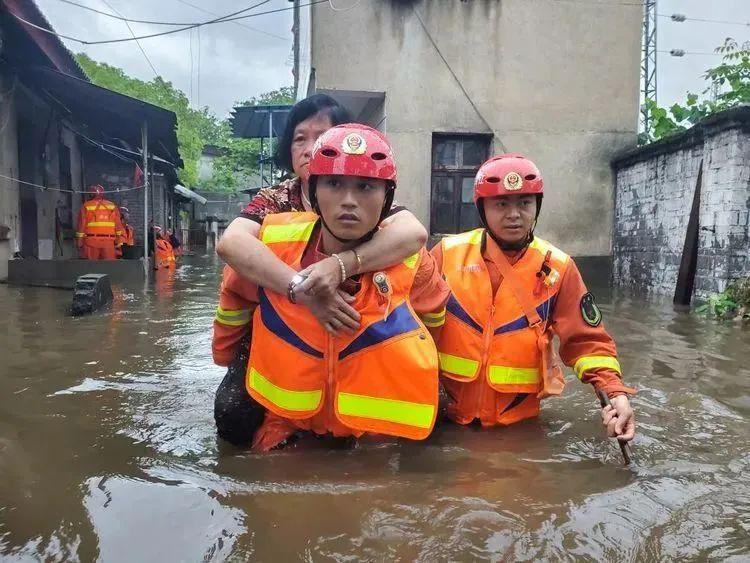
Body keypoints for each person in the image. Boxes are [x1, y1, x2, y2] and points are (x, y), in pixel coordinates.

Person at [213, 124, 450, 451]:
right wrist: (228, 360)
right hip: (286, 425)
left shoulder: (413, 262)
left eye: (366, 187)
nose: (349, 201)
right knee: (232, 413)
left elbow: (435, 320)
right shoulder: (270, 246)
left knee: (439, 412)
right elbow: (233, 300)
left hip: (371, 432)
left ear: (388, 199)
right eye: (335, 184)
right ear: (313, 193)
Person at [431, 154, 636, 442]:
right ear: (482, 208)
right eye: (501, 204)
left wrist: (615, 394)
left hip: (518, 427)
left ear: (536, 207)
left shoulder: (559, 268)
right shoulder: (446, 255)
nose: (514, 214)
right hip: (448, 420)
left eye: (524, 203)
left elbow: (588, 343)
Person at [75, 184, 124, 260]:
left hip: (91, 242)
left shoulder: (86, 206)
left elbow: (81, 226)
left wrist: (79, 243)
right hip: (109, 243)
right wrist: (119, 242)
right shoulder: (112, 206)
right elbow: (118, 226)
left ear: (91, 194)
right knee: (109, 268)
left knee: (91, 268)